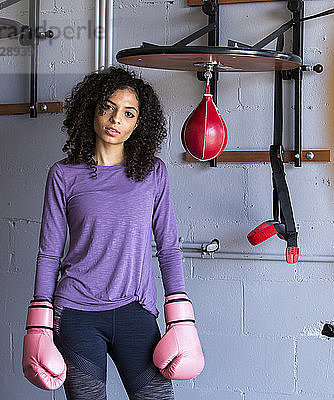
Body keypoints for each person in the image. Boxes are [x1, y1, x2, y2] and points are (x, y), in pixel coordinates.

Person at [21, 66, 204, 400]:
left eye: (128, 113)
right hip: (77, 315)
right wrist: (39, 325)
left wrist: (181, 319)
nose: (116, 118)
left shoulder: (153, 173)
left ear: (138, 124)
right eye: (108, 107)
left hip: (135, 311)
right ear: (92, 108)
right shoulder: (64, 175)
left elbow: (168, 248)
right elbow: (48, 253)